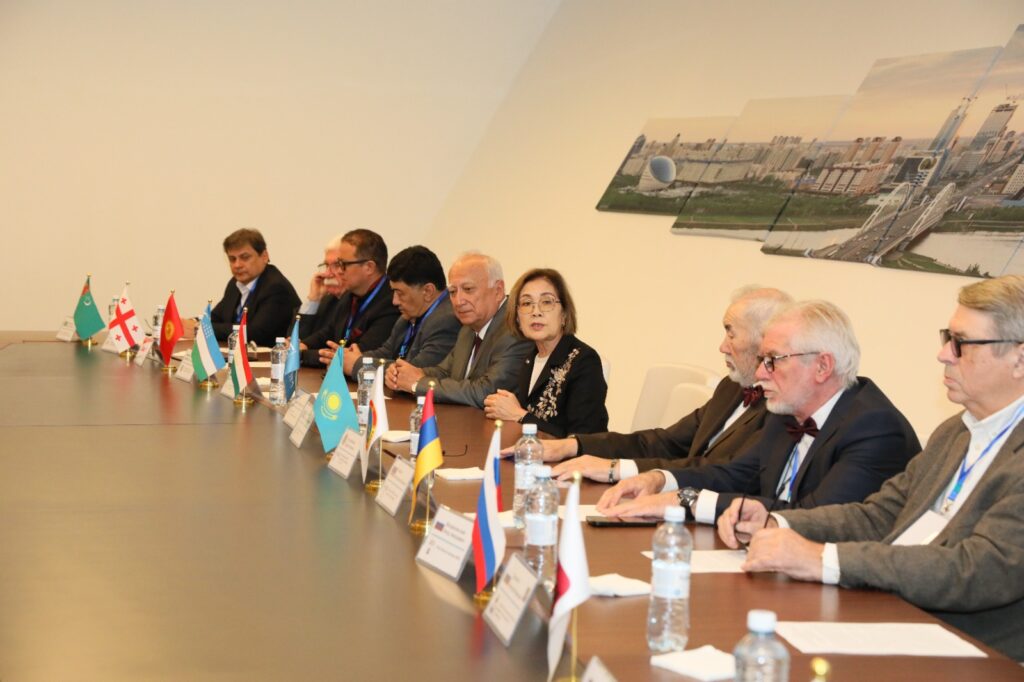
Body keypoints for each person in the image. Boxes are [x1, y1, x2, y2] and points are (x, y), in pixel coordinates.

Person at [719, 275, 1024, 661]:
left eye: (961, 343)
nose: (943, 354)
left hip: (973, 650)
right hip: (893, 611)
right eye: (947, 338)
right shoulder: (956, 432)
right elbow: (880, 513)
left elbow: (978, 569)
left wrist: (823, 559)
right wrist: (778, 523)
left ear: (1019, 359)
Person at [597, 300, 920, 524]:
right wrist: (658, 479)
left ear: (822, 366)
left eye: (773, 361)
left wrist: (688, 499)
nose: (761, 373)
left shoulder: (874, 427)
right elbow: (734, 473)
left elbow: (810, 517)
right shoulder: (787, 412)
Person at [546, 287, 791, 482]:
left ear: (765, 342)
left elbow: (721, 470)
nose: (722, 347)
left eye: (731, 334)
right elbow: (664, 442)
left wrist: (615, 469)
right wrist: (573, 445)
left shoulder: (782, 407)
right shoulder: (731, 388)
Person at [386, 252, 533, 407]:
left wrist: (417, 384)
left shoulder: (515, 329)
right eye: (453, 292)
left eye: (468, 289)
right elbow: (445, 371)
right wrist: (406, 374)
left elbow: (487, 392)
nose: (458, 301)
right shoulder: (468, 328)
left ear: (498, 290)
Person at [482, 268, 608, 437]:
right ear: (517, 317)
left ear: (564, 314)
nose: (536, 312)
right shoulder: (529, 359)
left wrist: (519, 415)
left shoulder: (584, 361)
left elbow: (583, 439)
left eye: (547, 302)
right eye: (527, 303)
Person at [344, 245, 460, 376]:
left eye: (400, 293)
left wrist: (358, 364)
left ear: (428, 291)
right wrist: (351, 357)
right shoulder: (407, 317)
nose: (395, 301)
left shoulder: (447, 321)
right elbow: (385, 352)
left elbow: (413, 371)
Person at [300, 229, 400, 367]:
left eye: (343, 265)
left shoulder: (391, 302)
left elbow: (357, 356)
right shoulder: (350, 295)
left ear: (369, 267)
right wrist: (303, 345)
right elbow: (329, 332)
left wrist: (301, 355)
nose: (339, 271)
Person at [209, 228, 300, 347]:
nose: (237, 265)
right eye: (232, 259)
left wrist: (204, 328)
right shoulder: (235, 284)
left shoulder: (276, 287)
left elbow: (254, 333)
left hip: (272, 356)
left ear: (264, 256)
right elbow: (216, 317)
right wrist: (195, 323)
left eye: (245, 257)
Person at [298, 236, 346, 338]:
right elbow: (295, 339)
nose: (328, 274)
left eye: (337, 265)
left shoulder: (361, 303)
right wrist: (313, 299)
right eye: (326, 265)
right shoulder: (327, 300)